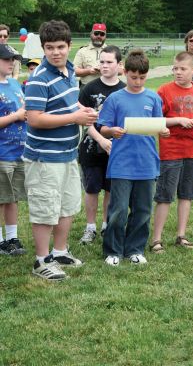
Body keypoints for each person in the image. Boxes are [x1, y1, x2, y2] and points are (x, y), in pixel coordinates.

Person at [24, 20, 98, 281]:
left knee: (67, 205)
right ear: (43, 49)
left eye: (61, 47)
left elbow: (68, 103)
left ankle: (60, 251)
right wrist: (73, 119)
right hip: (45, 157)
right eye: (50, 47)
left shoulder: (68, 70)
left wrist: (81, 110)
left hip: (67, 153)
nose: (56, 52)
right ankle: (42, 260)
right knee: (45, 207)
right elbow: (34, 118)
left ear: (69, 47)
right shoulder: (38, 79)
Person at [97, 49, 169, 266]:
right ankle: (113, 250)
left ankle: (135, 249)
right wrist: (112, 132)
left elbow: (158, 124)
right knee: (118, 210)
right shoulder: (115, 98)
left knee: (143, 210)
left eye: (142, 77)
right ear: (124, 72)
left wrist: (163, 130)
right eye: (133, 77)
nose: (137, 81)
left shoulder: (153, 98)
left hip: (147, 163)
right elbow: (102, 128)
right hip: (121, 164)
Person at [150, 51, 193, 253]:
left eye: (182, 69)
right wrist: (178, 120)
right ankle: (156, 239)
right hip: (171, 149)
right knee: (165, 194)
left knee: (187, 194)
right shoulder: (164, 91)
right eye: (175, 68)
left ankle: (181, 235)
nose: (178, 72)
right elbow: (157, 119)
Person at [78, 45, 126, 244]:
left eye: (109, 62)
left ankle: (106, 224)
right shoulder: (89, 88)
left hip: (116, 149)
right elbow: (83, 120)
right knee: (91, 188)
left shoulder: (124, 89)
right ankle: (90, 227)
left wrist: (111, 141)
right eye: (102, 62)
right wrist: (100, 139)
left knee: (110, 188)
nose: (104, 66)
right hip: (91, 146)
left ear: (119, 64)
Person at [0, 44, 27, 255]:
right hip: (2, 152)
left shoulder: (15, 84)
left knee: (13, 196)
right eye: (7, 59)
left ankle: (12, 237)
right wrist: (15, 116)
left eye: (13, 59)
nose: (12, 63)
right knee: (1, 197)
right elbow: (16, 114)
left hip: (19, 151)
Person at [73, 23, 107, 90]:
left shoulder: (112, 51)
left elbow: (120, 71)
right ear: (91, 34)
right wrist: (89, 71)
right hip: (86, 88)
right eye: (96, 33)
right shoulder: (82, 51)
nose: (99, 36)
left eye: (102, 34)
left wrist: (105, 69)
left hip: (107, 87)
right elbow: (74, 71)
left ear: (105, 36)